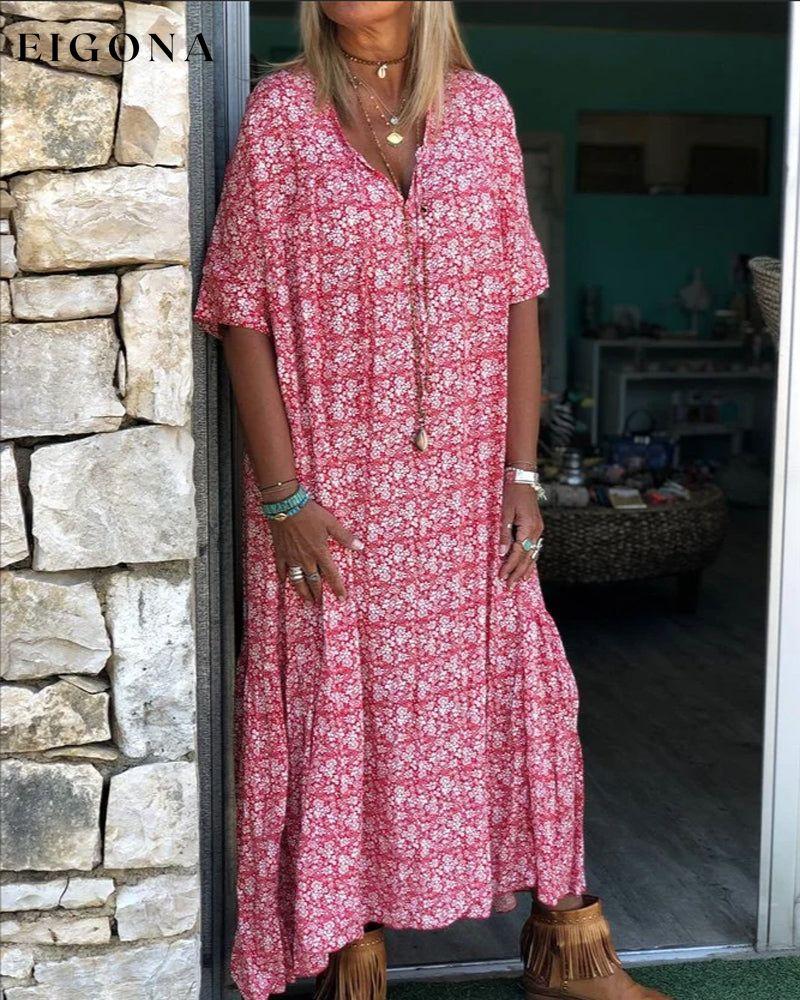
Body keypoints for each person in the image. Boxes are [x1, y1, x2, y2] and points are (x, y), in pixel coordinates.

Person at [194, 3, 671, 999]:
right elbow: (239, 311)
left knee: (527, 701)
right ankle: (352, 967)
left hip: (463, 497)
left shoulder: (482, 111)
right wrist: (283, 498)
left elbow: (517, 297)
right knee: (340, 717)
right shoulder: (284, 114)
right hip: (332, 497)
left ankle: (568, 950)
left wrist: (521, 473)